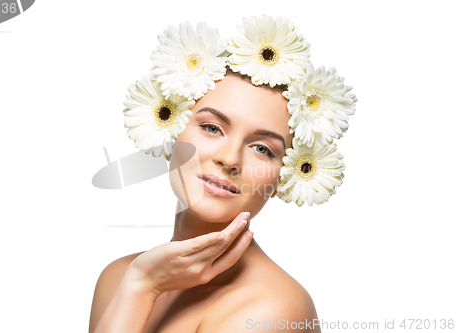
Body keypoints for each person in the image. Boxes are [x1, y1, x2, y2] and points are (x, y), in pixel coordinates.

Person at [89, 15, 355, 333]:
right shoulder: (121, 277)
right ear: (170, 125)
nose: (229, 159)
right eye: (212, 128)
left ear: (286, 175)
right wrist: (140, 286)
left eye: (262, 149)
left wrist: (141, 284)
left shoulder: (271, 311)